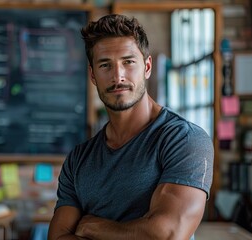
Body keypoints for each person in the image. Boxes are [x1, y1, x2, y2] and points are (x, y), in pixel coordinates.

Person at [48, 14, 214, 240]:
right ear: (93, 75)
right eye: (105, 65)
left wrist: (92, 227)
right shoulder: (79, 160)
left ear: (146, 67)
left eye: (128, 62)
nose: (118, 76)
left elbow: (167, 235)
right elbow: (58, 237)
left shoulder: (184, 139)